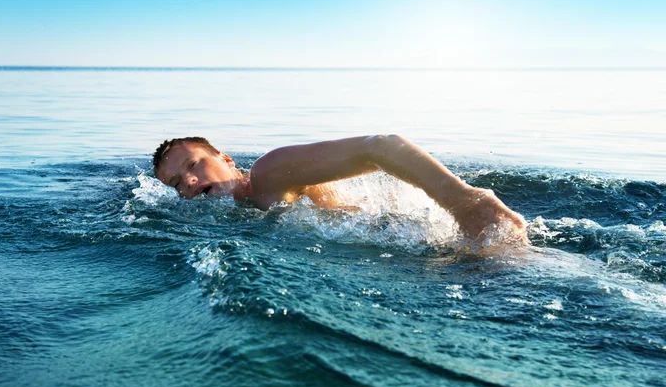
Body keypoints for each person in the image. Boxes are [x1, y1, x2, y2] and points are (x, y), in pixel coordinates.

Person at [152, 135, 527, 241]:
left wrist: (462, 201)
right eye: (175, 182)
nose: (188, 180)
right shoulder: (218, 221)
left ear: (228, 160)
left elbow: (379, 147)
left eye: (193, 164)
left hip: (414, 232)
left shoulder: (269, 174)